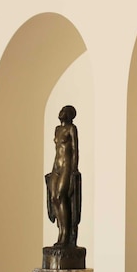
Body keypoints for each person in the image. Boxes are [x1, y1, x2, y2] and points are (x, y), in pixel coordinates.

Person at [46, 105, 80, 247]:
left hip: (67, 166)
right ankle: (60, 231)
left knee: (61, 196)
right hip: (56, 166)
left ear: (69, 114)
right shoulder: (57, 129)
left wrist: (74, 171)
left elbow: (74, 150)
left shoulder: (71, 129)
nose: (61, 113)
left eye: (64, 111)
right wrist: (53, 169)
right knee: (54, 198)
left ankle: (66, 234)